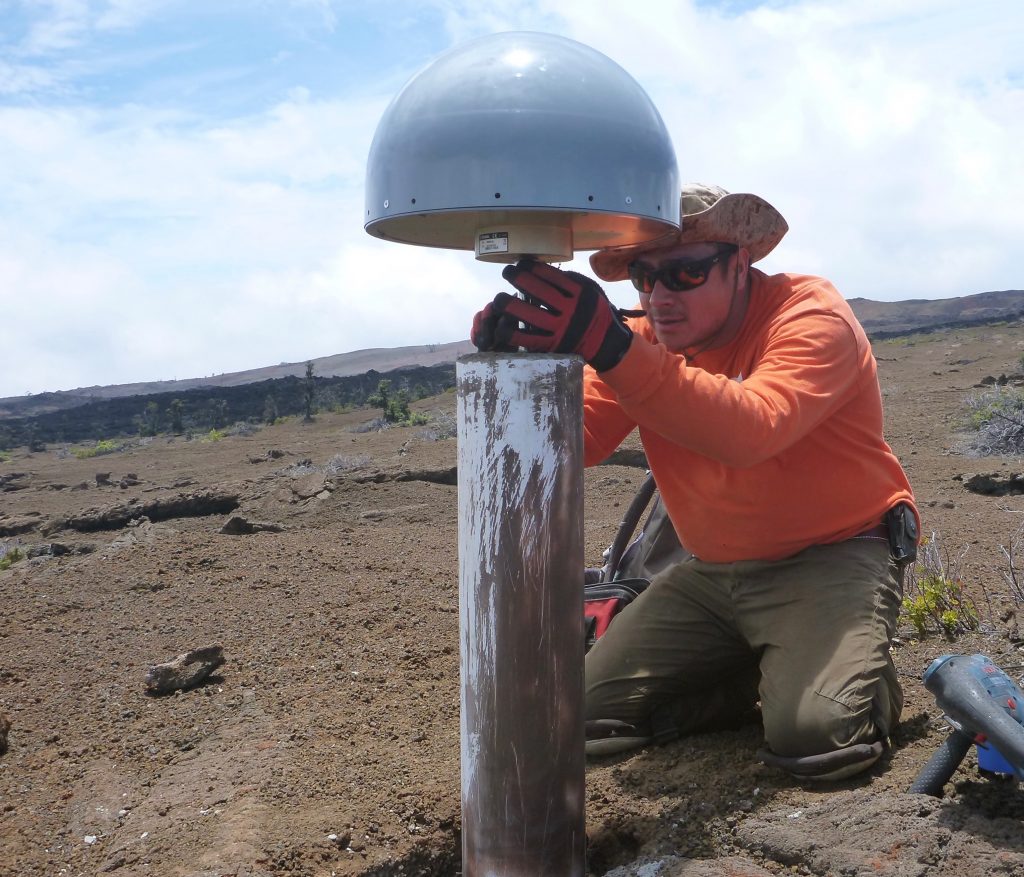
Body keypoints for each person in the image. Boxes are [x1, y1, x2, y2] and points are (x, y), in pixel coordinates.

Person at [470, 183, 919, 781]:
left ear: (738, 263)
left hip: (833, 557)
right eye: (643, 277)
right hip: (713, 575)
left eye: (684, 274)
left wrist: (612, 345)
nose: (659, 297)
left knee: (817, 739)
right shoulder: (646, 340)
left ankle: (852, 680)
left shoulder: (810, 315)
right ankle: (756, 672)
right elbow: (576, 445)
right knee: (569, 716)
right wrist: (521, 374)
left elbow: (752, 428)